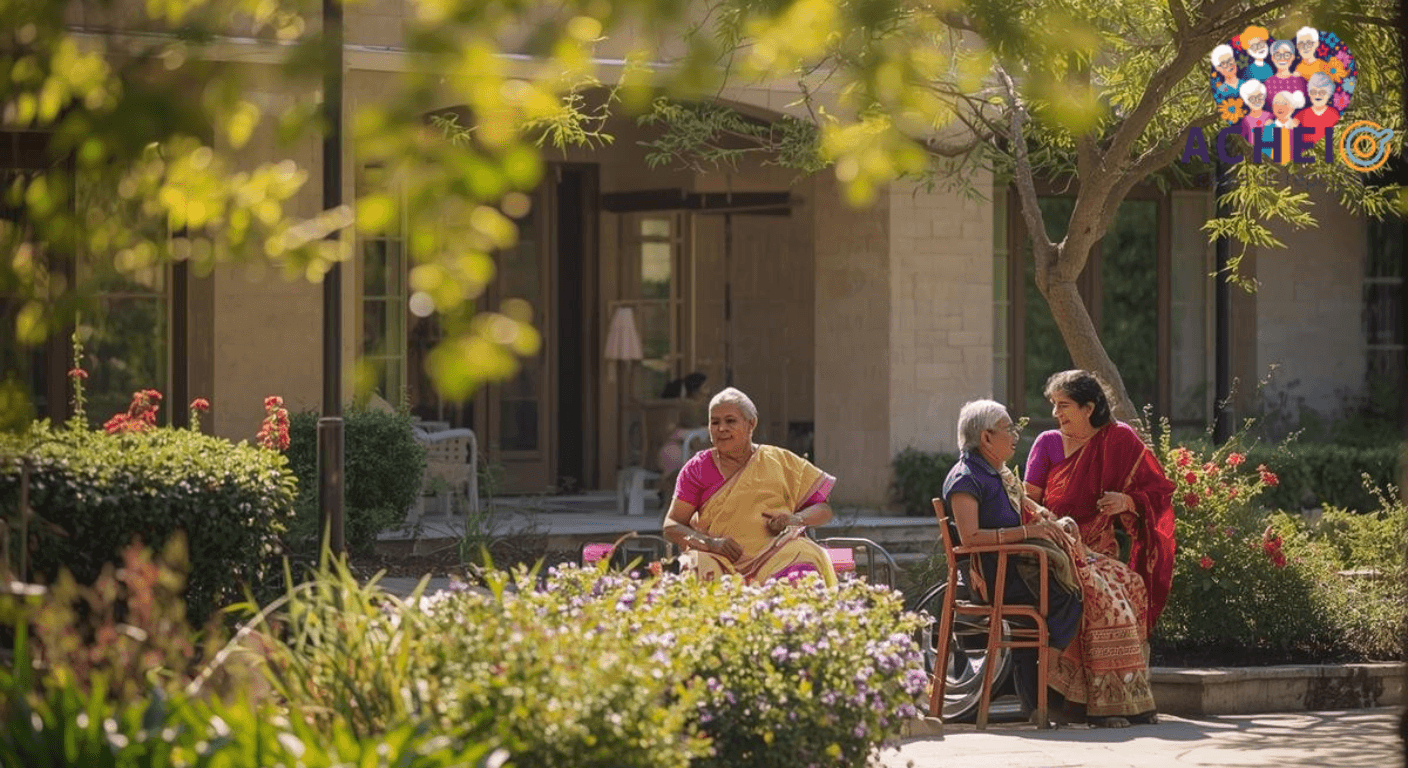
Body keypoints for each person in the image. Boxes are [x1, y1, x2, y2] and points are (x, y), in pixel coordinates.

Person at [941, 400, 1083, 721]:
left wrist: (1051, 521)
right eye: (1008, 429)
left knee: (1067, 591)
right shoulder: (966, 478)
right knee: (1069, 596)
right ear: (986, 437)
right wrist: (1027, 533)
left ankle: (1038, 704)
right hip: (992, 578)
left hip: (1013, 570)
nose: (1015, 436)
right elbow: (970, 538)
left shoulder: (998, 473)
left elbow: (1027, 504)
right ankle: (1048, 687)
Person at [1023, 370, 1176, 631]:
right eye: (1054, 405)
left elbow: (1159, 491)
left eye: (1064, 405)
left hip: (1099, 552)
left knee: (1129, 586)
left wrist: (1126, 502)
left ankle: (1119, 659)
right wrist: (1052, 524)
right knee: (1087, 591)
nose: (1056, 413)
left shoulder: (1119, 440)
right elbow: (1027, 502)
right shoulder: (1047, 444)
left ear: (1088, 408)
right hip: (1055, 549)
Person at [662, 387, 837, 585]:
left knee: (803, 554)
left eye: (730, 421)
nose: (721, 428)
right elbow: (672, 525)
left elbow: (824, 510)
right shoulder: (697, 468)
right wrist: (711, 543)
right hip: (717, 558)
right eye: (715, 422)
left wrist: (795, 519)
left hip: (777, 554)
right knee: (696, 564)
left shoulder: (779, 460)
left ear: (751, 424)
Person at [1296, 72, 1340, 147]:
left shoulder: (1334, 114)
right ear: (1309, 94)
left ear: (1329, 94)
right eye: (1314, 92)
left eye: (1322, 92)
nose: (1317, 95)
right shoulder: (1303, 114)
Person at [1263, 39, 1307, 109]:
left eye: (1286, 55)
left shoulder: (1300, 80)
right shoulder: (1268, 83)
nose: (1282, 59)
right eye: (1278, 55)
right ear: (1272, 58)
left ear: (1292, 57)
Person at [1238, 79, 1272, 146]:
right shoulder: (1246, 120)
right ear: (1246, 101)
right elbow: (1243, 139)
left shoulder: (1270, 116)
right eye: (1252, 98)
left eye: (1259, 96)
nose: (1257, 100)